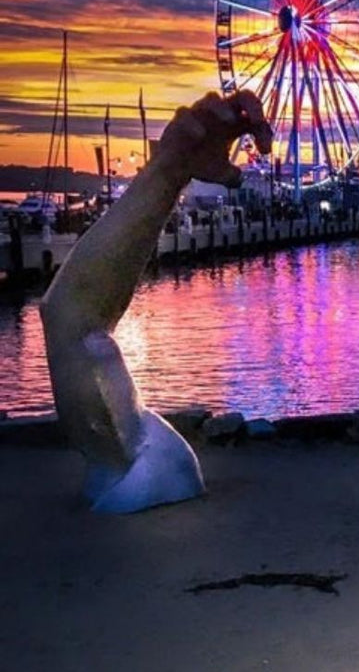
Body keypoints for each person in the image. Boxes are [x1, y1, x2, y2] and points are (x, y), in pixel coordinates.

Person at [40, 91, 273, 513]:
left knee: (85, 341)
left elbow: (68, 319)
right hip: (137, 469)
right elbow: (68, 319)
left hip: (141, 473)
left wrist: (168, 173)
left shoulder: (142, 466)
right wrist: (169, 172)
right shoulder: (136, 462)